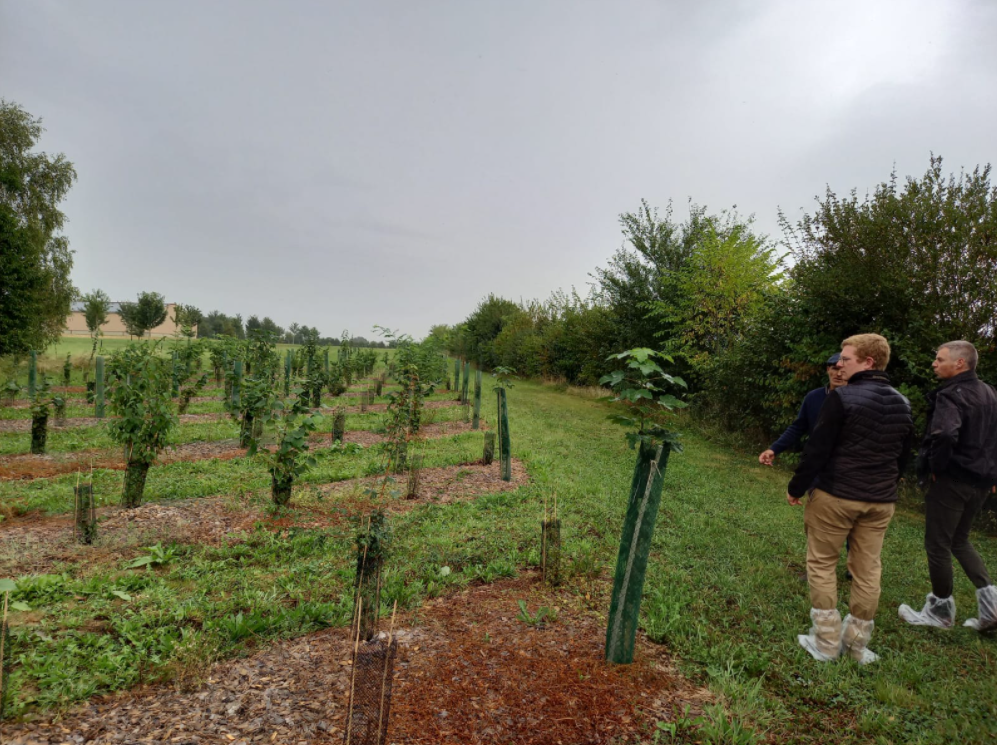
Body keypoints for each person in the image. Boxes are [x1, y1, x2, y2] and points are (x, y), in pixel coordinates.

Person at [786, 333, 914, 664]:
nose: (839, 365)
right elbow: (903, 457)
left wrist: (796, 486)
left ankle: (826, 642)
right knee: (868, 569)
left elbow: (817, 448)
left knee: (822, 562)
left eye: (846, 359)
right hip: (880, 501)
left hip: (836, 495)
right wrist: (884, 483)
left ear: (868, 361)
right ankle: (857, 645)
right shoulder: (903, 402)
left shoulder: (842, 398)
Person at [898, 341, 997, 632]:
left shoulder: (951, 395)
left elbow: (943, 435)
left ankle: (940, 612)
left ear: (960, 364)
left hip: (953, 480)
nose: (934, 363)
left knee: (938, 544)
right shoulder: (991, 393)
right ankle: (992, 609)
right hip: (981, 482)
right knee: (960, 540)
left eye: (939, 359)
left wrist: (935, 469)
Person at [759, 353, 845, 467]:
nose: (838, 374)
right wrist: (774, 449)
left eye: (843, 370)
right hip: (815, 463)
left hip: (845, 466)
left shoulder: (859, 399)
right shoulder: (814, 397)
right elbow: (798, 427)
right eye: (835, 368)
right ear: (828, 369)